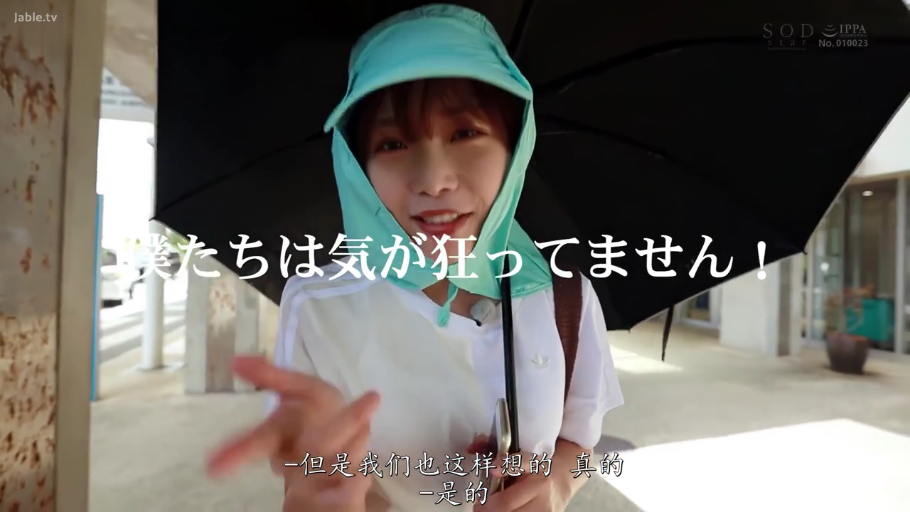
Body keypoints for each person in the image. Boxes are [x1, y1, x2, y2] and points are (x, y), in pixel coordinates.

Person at [206, 4, 623, 511]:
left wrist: (553, 486)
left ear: (514, 147)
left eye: (465, 133)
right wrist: (319, 494)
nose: (433, 180)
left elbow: (580, 442)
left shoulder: (565, 297)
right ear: (357, 164)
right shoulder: (320, 306)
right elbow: (309, 481)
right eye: (393, 143)